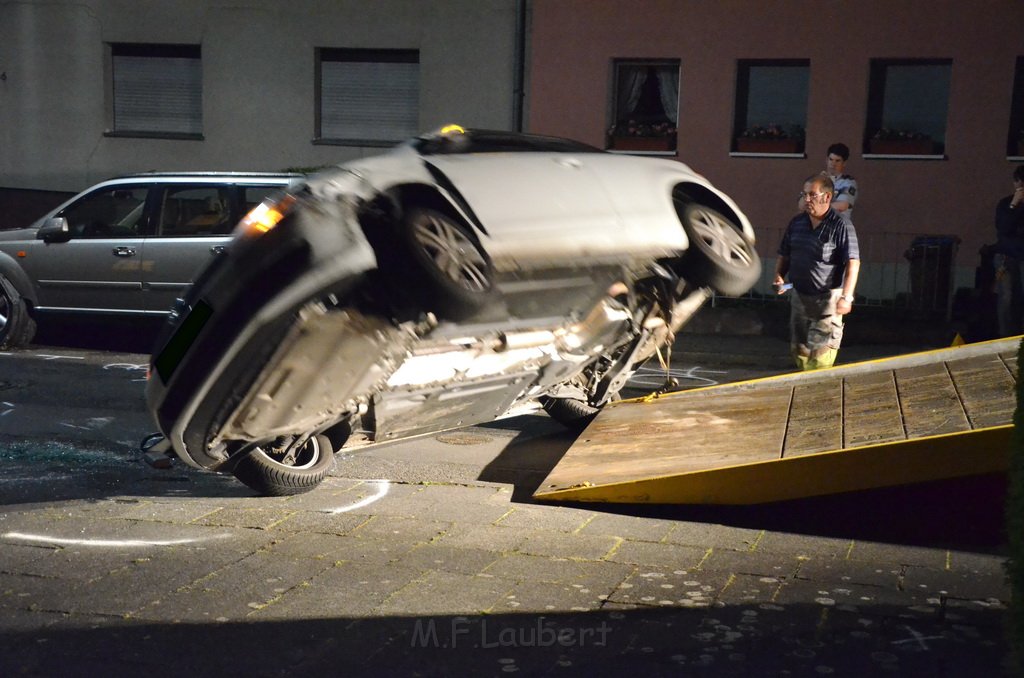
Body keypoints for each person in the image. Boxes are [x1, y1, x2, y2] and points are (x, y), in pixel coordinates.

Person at [774, 175, 861, 370]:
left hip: (828, 299)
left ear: (827, 197)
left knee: (821, 356)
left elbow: (853, 263)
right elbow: (784, 254)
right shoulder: (796, 223)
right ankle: (802, 388)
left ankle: (820, 389)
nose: (807, 200)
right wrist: (779, 275)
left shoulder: (841, 225)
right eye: (804, 194)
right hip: (799, 297)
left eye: (812, 195)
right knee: (800, 351)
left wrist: (847, 297)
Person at [993, 165, 1024, 336]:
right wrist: (1014, 205)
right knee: (1007, 298)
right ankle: (1005, 337)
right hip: (1006, 257)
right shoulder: (1005, 204)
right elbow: (1003, 228)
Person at [822, 142, 858, 225]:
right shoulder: (818, 181)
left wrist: (817, 207)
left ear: (844, 163)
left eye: (837, 161)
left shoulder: (848, 183)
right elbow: (802, 204)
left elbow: (842, 205)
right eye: (831, 159)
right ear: (826, 160)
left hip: (838, 227)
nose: (833, 164)